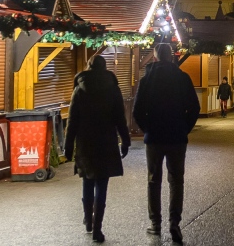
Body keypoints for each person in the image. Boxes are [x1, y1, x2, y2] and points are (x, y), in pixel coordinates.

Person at [132, 43, 200, 243]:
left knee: (154, 180)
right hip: (177, 137)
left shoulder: (147, 80)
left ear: (155, 57)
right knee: (176, 180)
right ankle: (174, 223)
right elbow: (194, 108)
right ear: (171, 57)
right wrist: (184, 127)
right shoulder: (182, 78)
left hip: (154, 137)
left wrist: (148, 128)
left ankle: (155, 223)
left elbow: (137, 111)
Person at [64, 56, 130, 243]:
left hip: (85, 142)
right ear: (105, 67)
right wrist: (125, 141)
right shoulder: (112, 89)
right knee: (102, 184)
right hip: (106, 141)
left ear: (89, 67)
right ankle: (98, 229)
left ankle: (88, 220)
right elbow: (120, 119)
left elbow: (72, 121)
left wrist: (68, 148)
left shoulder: (79, 89)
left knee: (87, 181)